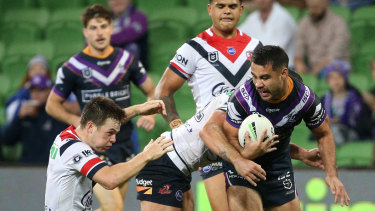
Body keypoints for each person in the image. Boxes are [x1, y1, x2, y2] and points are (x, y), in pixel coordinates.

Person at [200, 45, 350, 210]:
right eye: (254, 77)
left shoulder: (305, 100)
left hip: (277, 166)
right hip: (243, 166)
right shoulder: (242, 99)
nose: (258, 84)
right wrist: (241, 159)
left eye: (264, 77)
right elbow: (229, 138)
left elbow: (324, 134)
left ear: (283, 73)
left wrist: (332, 174)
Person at [45, 4, 156, 211]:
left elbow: (151, 90)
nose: (99, 32)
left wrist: (150, 113)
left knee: (112, 208)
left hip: (123, 143)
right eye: (93, 28)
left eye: (103, 26)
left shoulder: (127, 60)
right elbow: (51, 106)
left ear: (111, 28)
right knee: (114, 207)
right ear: (85, 32)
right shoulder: (73, 67)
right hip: (94, 146)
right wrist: (78, 121)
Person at [155, 0, 263, 209]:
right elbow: (163, 92)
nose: (226, 11)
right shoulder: (194, 48)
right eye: (220, 6)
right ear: (209, 9)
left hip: (249, 143)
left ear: (241, 10)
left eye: (232, 6)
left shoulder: (256, 48)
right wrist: (176, 124)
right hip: (210, 145)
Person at [136, 92, 324, 210]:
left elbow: (263, 144)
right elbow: (208, 134)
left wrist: (302, 153)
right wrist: (242, 159)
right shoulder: (237, 105)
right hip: (160, 163)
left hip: (178, 168)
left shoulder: (247, 107)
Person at [44, 96, 173, 211]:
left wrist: (137, 110)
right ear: (90, 127)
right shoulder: (74, 149)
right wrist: (146, 155)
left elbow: (105, 121)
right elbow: (110, 180)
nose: (114, 139)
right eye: (110, 133)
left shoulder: (70, 135)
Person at [1, 74, 68, 164]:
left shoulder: (56, 113)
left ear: (49, 91)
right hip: (25, 167)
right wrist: (18, 118)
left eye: (40, 90)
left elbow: (57, 146)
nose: (36, 94)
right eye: (33, 90)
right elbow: (8, 140)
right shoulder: (25, 115)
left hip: (48, 167)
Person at [320, 60, 372, 145]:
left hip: (351, 132)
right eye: (332, 78)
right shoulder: (324, 99)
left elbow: (359, 120)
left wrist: (341, 121)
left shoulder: (354, 97)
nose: (336, 80)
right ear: (328, 81)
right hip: (331, 130)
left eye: (339, 77)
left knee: (334, 130)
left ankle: (334, 152)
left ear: (346, 79)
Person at [294, 0, 350, 76]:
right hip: (312, 66)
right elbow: (299, 46)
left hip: (335, 66)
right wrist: (299, 62)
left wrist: (315, 71)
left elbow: (333, 55)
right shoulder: (304, 22)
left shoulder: (339, 23)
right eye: (310, 7)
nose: (313, 11)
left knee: (330, 71)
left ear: (326, 5)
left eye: (316, 7)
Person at [239, 0, 296, 67]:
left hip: (283, 68)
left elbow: (275, 51)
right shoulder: (252, 17)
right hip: (259, 66)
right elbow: (237, 34)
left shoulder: (283, 17)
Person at [108, 0, 149, 69]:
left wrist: (102, 38)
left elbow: (127, 36)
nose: (116, 1)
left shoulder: (139, 17)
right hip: (107, 62)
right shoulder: (103, 18)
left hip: (135, 68)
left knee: (132, 46)